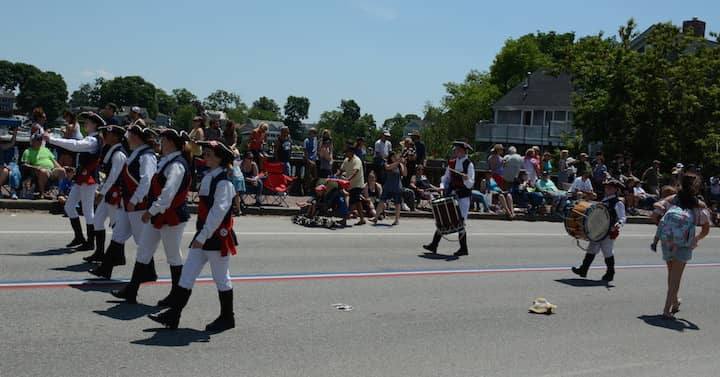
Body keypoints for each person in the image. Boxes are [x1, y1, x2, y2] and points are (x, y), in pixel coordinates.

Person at [149, 140, 238, 331]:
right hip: (204, 235)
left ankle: (227, 317)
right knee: (187, 275)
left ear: (220, 159)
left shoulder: (223, 182)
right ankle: (173, 315)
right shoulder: (210, 177)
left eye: (208, 154)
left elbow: (217, 213)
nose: (204, 157)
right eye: (204, 153)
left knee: (221, 278)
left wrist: (202, 236)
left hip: (215, 238)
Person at [111, 128, 191, 305]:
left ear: (170, 142)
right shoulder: (167, 161)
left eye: (162, 140)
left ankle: (176, 294)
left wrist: (151, 211)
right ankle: (132, 290)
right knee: (144, 250)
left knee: (173, 255)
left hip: (171, 217)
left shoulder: (177, 164)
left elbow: (168, 193)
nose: (160, 144)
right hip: (159, 215)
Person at [90, 125, 158, 279]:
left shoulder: (147, 156)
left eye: (130, 134)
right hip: (128, 203)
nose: (127, 137)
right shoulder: (138, 153)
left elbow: (147, 181)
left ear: (136, 136)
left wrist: (134, 200)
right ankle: (106, 269)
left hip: (138, 205)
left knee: (142, 240)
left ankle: (149, 272)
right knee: (118, 235)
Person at [650, 173, 711, 319]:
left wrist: (666, 229)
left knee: (671, 275)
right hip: (684, 244)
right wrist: (695, 239)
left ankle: (675, 301)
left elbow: (655, 214)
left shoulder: (672, 199)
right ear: (696, 188)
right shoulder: (699, 205)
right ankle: (666, 309)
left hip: (668, 241)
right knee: (676, 278)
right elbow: (706, 229)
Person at [44, 112, 103, 251]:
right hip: (81, 177)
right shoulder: (90, 139)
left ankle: (90, 242)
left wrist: (51, 139)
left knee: (88, 211)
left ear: (95, 125)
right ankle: (79, 237)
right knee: (69, 207)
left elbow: (75, 145)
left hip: (89, 179)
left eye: (88, 122)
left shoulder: (93, 140)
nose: (85, 124)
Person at [422, 141, 475, 256]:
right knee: (444, 217)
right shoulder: (451, 163)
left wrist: (466, 179)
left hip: (463, 197)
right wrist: (442, 187)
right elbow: (445, 178)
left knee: (460, 221)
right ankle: (434, 245)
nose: (456, 151)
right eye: (456, 149)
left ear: (463, 151)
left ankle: (463, 248)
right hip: (451, 195)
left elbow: (471, 184)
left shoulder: (469, 164)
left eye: (458, 149)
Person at [84, 125, 127, 263]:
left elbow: (113, 176)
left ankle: (119, 256)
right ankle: (99, 252)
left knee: (116, 225)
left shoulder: (119, 153)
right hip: (107, 192)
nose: (105, 136)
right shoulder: (110, 150)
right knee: (97, 221)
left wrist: (101, 193)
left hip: (114, 194)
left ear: (115, 137)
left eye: (108, 134)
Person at [571, 178, 626, 282]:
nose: (607, 188)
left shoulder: (617, 203)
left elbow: (623, 217)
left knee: (607, 252)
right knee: (592, 249)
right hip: (598, 230)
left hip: (608, 231)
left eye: (610, 187)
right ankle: (583, 270)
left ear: (615, 190)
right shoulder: (604, 199)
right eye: (606, 186)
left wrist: (618, 224)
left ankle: (610, 273)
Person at [20, 134, 65, 199]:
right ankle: (43, 193)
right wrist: (35, 167)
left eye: (41, 140)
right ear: (32, 141)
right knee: (43, 171)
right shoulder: (28, 151)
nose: (40, 141)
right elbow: (24, 165)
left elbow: (54, 161)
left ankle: (60, 192)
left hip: (51, 169)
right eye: (37, 140)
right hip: (38, 170)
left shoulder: (46, 149)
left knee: (62, 170)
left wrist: (61, 168)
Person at [370, 151, 405, 226]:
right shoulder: (387, 163)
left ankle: (396, 220)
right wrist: (399, 160)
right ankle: (376, 218)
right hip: (388, 186)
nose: (395, 158)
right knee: (381, 201)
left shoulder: (400, 165)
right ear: (391, 157)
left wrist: (404, 165)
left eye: (396, 156)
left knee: (397, 204)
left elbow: (404, 174)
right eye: (394, 156)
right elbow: (389, 167)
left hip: (397, 187)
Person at [337, 145, 366, 225]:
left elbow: (355, 171)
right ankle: (362, 219)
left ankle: (344, 218)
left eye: (347, 152)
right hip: (350, 185)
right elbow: (341, 170)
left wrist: (348, 179)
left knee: (352, 202)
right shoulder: (346, 160)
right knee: (357, 202)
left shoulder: (357, 160)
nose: (345, 154)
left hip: (357, 184)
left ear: (352, 152)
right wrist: (336, 175)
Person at [0, 127, 20, 199]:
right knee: (4, 170)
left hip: (1, 166)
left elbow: (12, 143)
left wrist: (15, 132)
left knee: (12, 171)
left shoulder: (1, 146)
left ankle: (13, 191)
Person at [303, 128, 318, 193]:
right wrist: (308, 160)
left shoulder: (315, 140)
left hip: (314, 160)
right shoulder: (306, 140)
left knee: (314, 176)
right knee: (307, 177)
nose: (314, 134)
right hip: (308, 161)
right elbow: (305, 151)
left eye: (315, 133)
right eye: (313, 132)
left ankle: (312, 189)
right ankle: (306, 190)